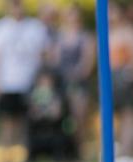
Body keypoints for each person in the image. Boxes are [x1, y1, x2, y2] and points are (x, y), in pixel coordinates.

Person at [0, 0, 49, 154]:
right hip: (6, 82)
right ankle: (6, 154)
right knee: (7, 120)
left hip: (30, 82)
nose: (17, 8)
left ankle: (25, 153)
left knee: (28, 120)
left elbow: (44, 54)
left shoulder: (35, 27)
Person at [53, 5, 95, 152]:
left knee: (80, 117)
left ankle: (81, 148)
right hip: (62, 83)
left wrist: (75, 75)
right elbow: (55, 60)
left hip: (79, 84)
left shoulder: (85, 37)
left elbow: (87, 63)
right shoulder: (60, 36)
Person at [108, 2, 133, 157]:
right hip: (112, 78)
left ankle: (129, 150)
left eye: (112, 10)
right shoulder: (108, 33)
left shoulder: (128, 31)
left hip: (125, 78)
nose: (109, 14)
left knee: (129, 116)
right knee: (118, 117)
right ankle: (120, 150)